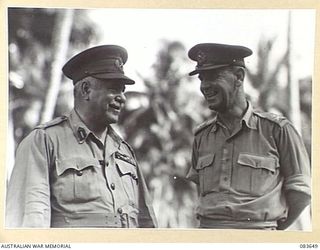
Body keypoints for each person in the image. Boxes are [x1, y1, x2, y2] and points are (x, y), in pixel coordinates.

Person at [6, 45, 157, 228]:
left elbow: (147, 225)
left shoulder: (124, 151)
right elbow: (31, 224)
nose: (122, 98)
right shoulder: (44, 142)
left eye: (123, 90)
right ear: (86, 89)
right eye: (114, 89)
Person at [186, 43, 311, 230]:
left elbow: (301, 192)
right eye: (202, 79)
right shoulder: (202, 137)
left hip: (258, 235)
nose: (205, 86)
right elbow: (201, 191)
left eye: (213, 76)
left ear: (239, 76)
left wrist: (268, 229)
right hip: (209, 235)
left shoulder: (277, 130)